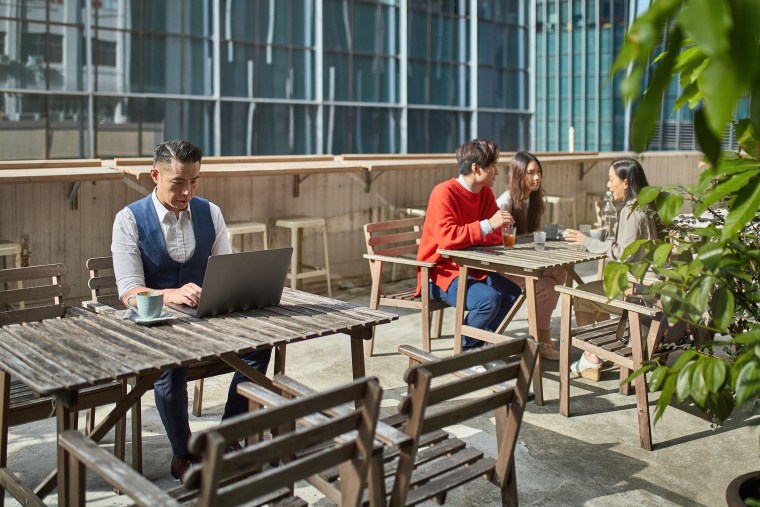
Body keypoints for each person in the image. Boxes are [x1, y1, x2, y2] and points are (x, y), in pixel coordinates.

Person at [111, 139, 271, 482]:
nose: (187, 191)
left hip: (206, 320)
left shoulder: (210, 212)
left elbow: (225, 267)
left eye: (194, 180)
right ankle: (183, 453)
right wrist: (172, 293)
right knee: (173, 364)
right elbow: (129, 292)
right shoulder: (129, 220)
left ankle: (226, 438)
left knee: (261, 344)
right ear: (155, 175)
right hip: (158, 326)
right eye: (179, 182)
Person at [416, 139, 522, 363]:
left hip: (471, 268)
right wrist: (484, 227)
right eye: (493, 165)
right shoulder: (443, 193)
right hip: (439, 273)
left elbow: (495, 234)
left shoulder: (484, 194)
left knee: (512, 294)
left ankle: (481, 348)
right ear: (476, 168)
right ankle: (466, 354)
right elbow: (447, 239)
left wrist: (486, 230)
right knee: (487, 300)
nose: (497, 171)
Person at [563, 158, 660, 380]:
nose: (608, 185)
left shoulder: (631, 210)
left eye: (611, 179)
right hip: (651, 287)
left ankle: (591, 356)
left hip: (637, 292)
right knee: (596, 290)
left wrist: (586, 241)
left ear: (626, 183)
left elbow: (622, 253)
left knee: (583, 296)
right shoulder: (647, 205)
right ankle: (603, 350)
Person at [495, 152, 568, 359]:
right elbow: (501, 244)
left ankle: (539, 334)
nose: (537, 178)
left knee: (554, 280)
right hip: (504, 267)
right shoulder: (505, 202)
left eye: (538, 172)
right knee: (550, 283)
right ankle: (541, 337)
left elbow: (531, 235)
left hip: (524, 263)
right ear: (519, 175)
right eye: (531, 173)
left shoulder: (532, 199)